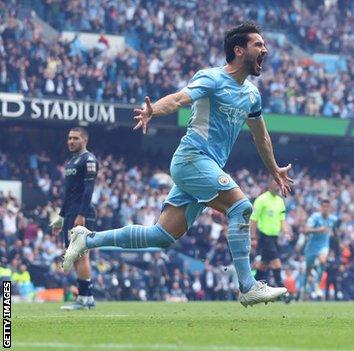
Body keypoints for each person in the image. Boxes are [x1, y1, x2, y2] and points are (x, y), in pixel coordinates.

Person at [62, 22, 293, 307]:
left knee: (160, 236)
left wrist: (274, 169)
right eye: (258, 45)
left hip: (207, 167)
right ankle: (248, 286)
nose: (265, 49)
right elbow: (179, 99)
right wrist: (153, 110)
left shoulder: (252, 94)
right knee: (242, 207)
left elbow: (262, 136)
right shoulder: (211, 78)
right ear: (238, 50)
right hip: (192, 159)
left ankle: (87, 239)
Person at [50, 127, 98, 310]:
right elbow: (68, 194)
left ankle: (85, 299)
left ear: (84, 140)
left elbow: (88, 190)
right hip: (70, 213)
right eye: (69, 138)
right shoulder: (71, 161)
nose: (71, 141)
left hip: (82, 213)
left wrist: (81, 214)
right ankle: (86, 298)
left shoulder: (89, 159)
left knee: (82, 254)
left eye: (75, 138)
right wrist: (61, 217)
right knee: (75, 255)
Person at [250, 179, 289, 286]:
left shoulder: (280, 201)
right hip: (264, 236)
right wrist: (253, 237)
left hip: (275, 237)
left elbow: (282, 219)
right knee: (276, 262)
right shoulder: (261, 199)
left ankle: (252, 288)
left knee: (264, 264)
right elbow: (254, 219)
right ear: (270, 184)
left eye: (279, 184)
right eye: (276, 183)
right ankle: (282, 291)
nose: (278, 186)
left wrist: (286, 232)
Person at [301, 199, 338, 300]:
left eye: (327, 206)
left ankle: (317, 284)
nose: (326, 208)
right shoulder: (315, 217)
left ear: (329, 208)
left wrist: (338, 243)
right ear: (321, 207)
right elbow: (305, 230)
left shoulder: (333, 219)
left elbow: (335, 231)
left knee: (322, 260)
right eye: (324, 206)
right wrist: (318, 230)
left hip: (324, 245)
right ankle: (304, 290)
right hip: (311, 246)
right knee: (308, 270)